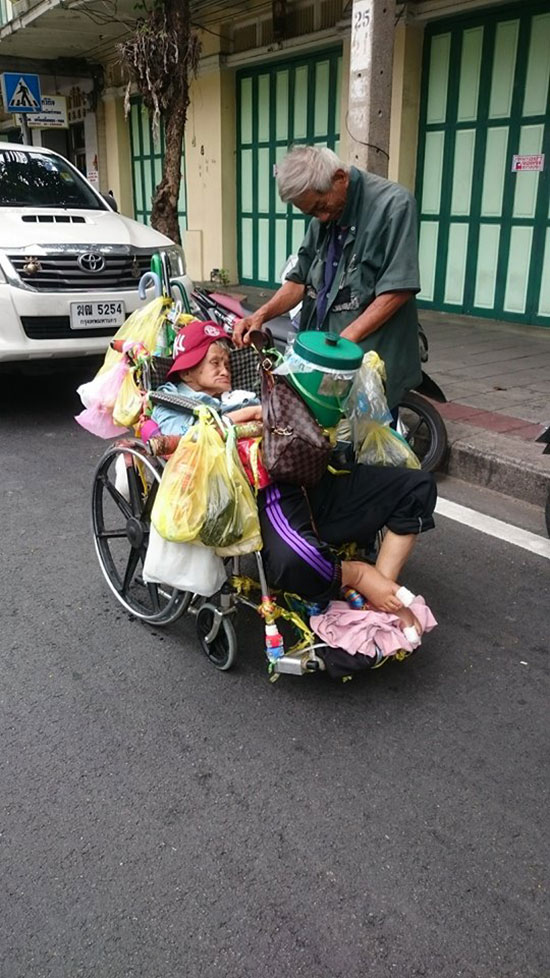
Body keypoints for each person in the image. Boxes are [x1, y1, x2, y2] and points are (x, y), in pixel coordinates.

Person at [152, 321, 437, 635]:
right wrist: (244, 416)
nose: (225, 369)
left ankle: (380, 591)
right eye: (214, 363)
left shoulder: (248, 392)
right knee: (299, 563)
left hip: (310, 471)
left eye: (227, 362)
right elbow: (178, 441)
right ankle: (359, 576)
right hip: (265, 491)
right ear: (187, 371)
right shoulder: (171, 401)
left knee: (417, 486)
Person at [233, 145, 422, 412]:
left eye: (321, 207)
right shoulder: (322, 219)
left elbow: (398, 289)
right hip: (330, 358)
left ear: (340, 178)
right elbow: (299, 280)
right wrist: (261, 315)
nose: (321, 218)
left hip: (369, 356)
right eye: (311, 213)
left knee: (370, 441)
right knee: (327, 438)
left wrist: (341, 345)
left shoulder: (394, 205)